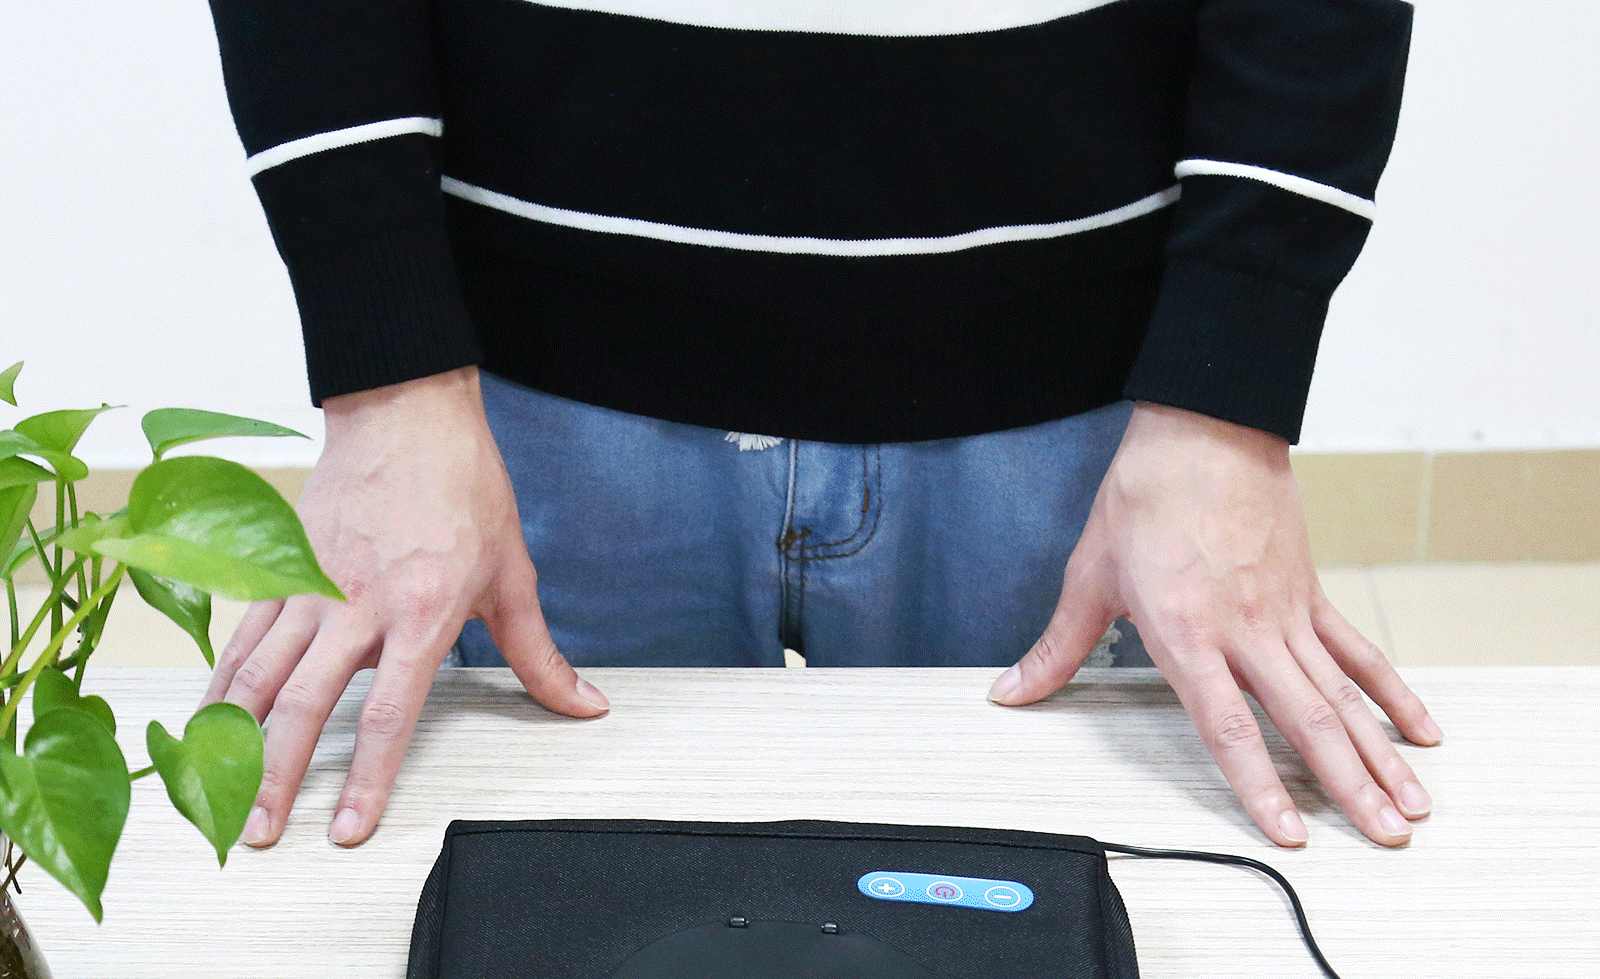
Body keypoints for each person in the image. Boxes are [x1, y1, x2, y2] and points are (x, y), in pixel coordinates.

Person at [204, 0, 1439, 853]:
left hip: (1076, 416)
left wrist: (1224, 396)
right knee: (534, 967)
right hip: (527, 412)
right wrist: (388, 377)